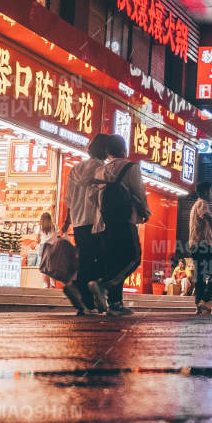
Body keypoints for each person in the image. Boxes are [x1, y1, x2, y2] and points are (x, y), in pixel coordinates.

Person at [87, 133, 149, 316]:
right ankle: (104, 285)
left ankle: (116, 303)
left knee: (115, 261)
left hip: (105, 223)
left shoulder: (100, 170)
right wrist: (145, 211)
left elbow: (92, 197)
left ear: (108, 152)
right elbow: (139, 191)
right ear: (124, 150)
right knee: (133, 257)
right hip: (125, 220)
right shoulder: (131, 167)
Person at [61, 134, 112, 315]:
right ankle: (80, 288)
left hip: (78, 221)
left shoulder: (76, 169)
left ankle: (86, 303)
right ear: (105, 150)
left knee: (85, 258)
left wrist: (67, 222)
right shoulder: (102, 169)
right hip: (96, 221)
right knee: (101, 258)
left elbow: (69, 200)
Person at [187, 181, 212, 315]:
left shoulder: (196, 205)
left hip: (196, 246)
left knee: (200, 276)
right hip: (204, 246)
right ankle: (205, 299)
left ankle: (199, 304)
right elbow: (207, 217)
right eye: (211, 191)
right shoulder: (202, 203)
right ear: (205, 192)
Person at [32, 211, 59, 288]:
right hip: (53, 247)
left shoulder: (40, 227)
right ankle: (52, 283)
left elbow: (37, 239)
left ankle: (45, 284)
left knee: (43, 266)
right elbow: (57, 236)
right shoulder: (55, 226)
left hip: (43, 247)